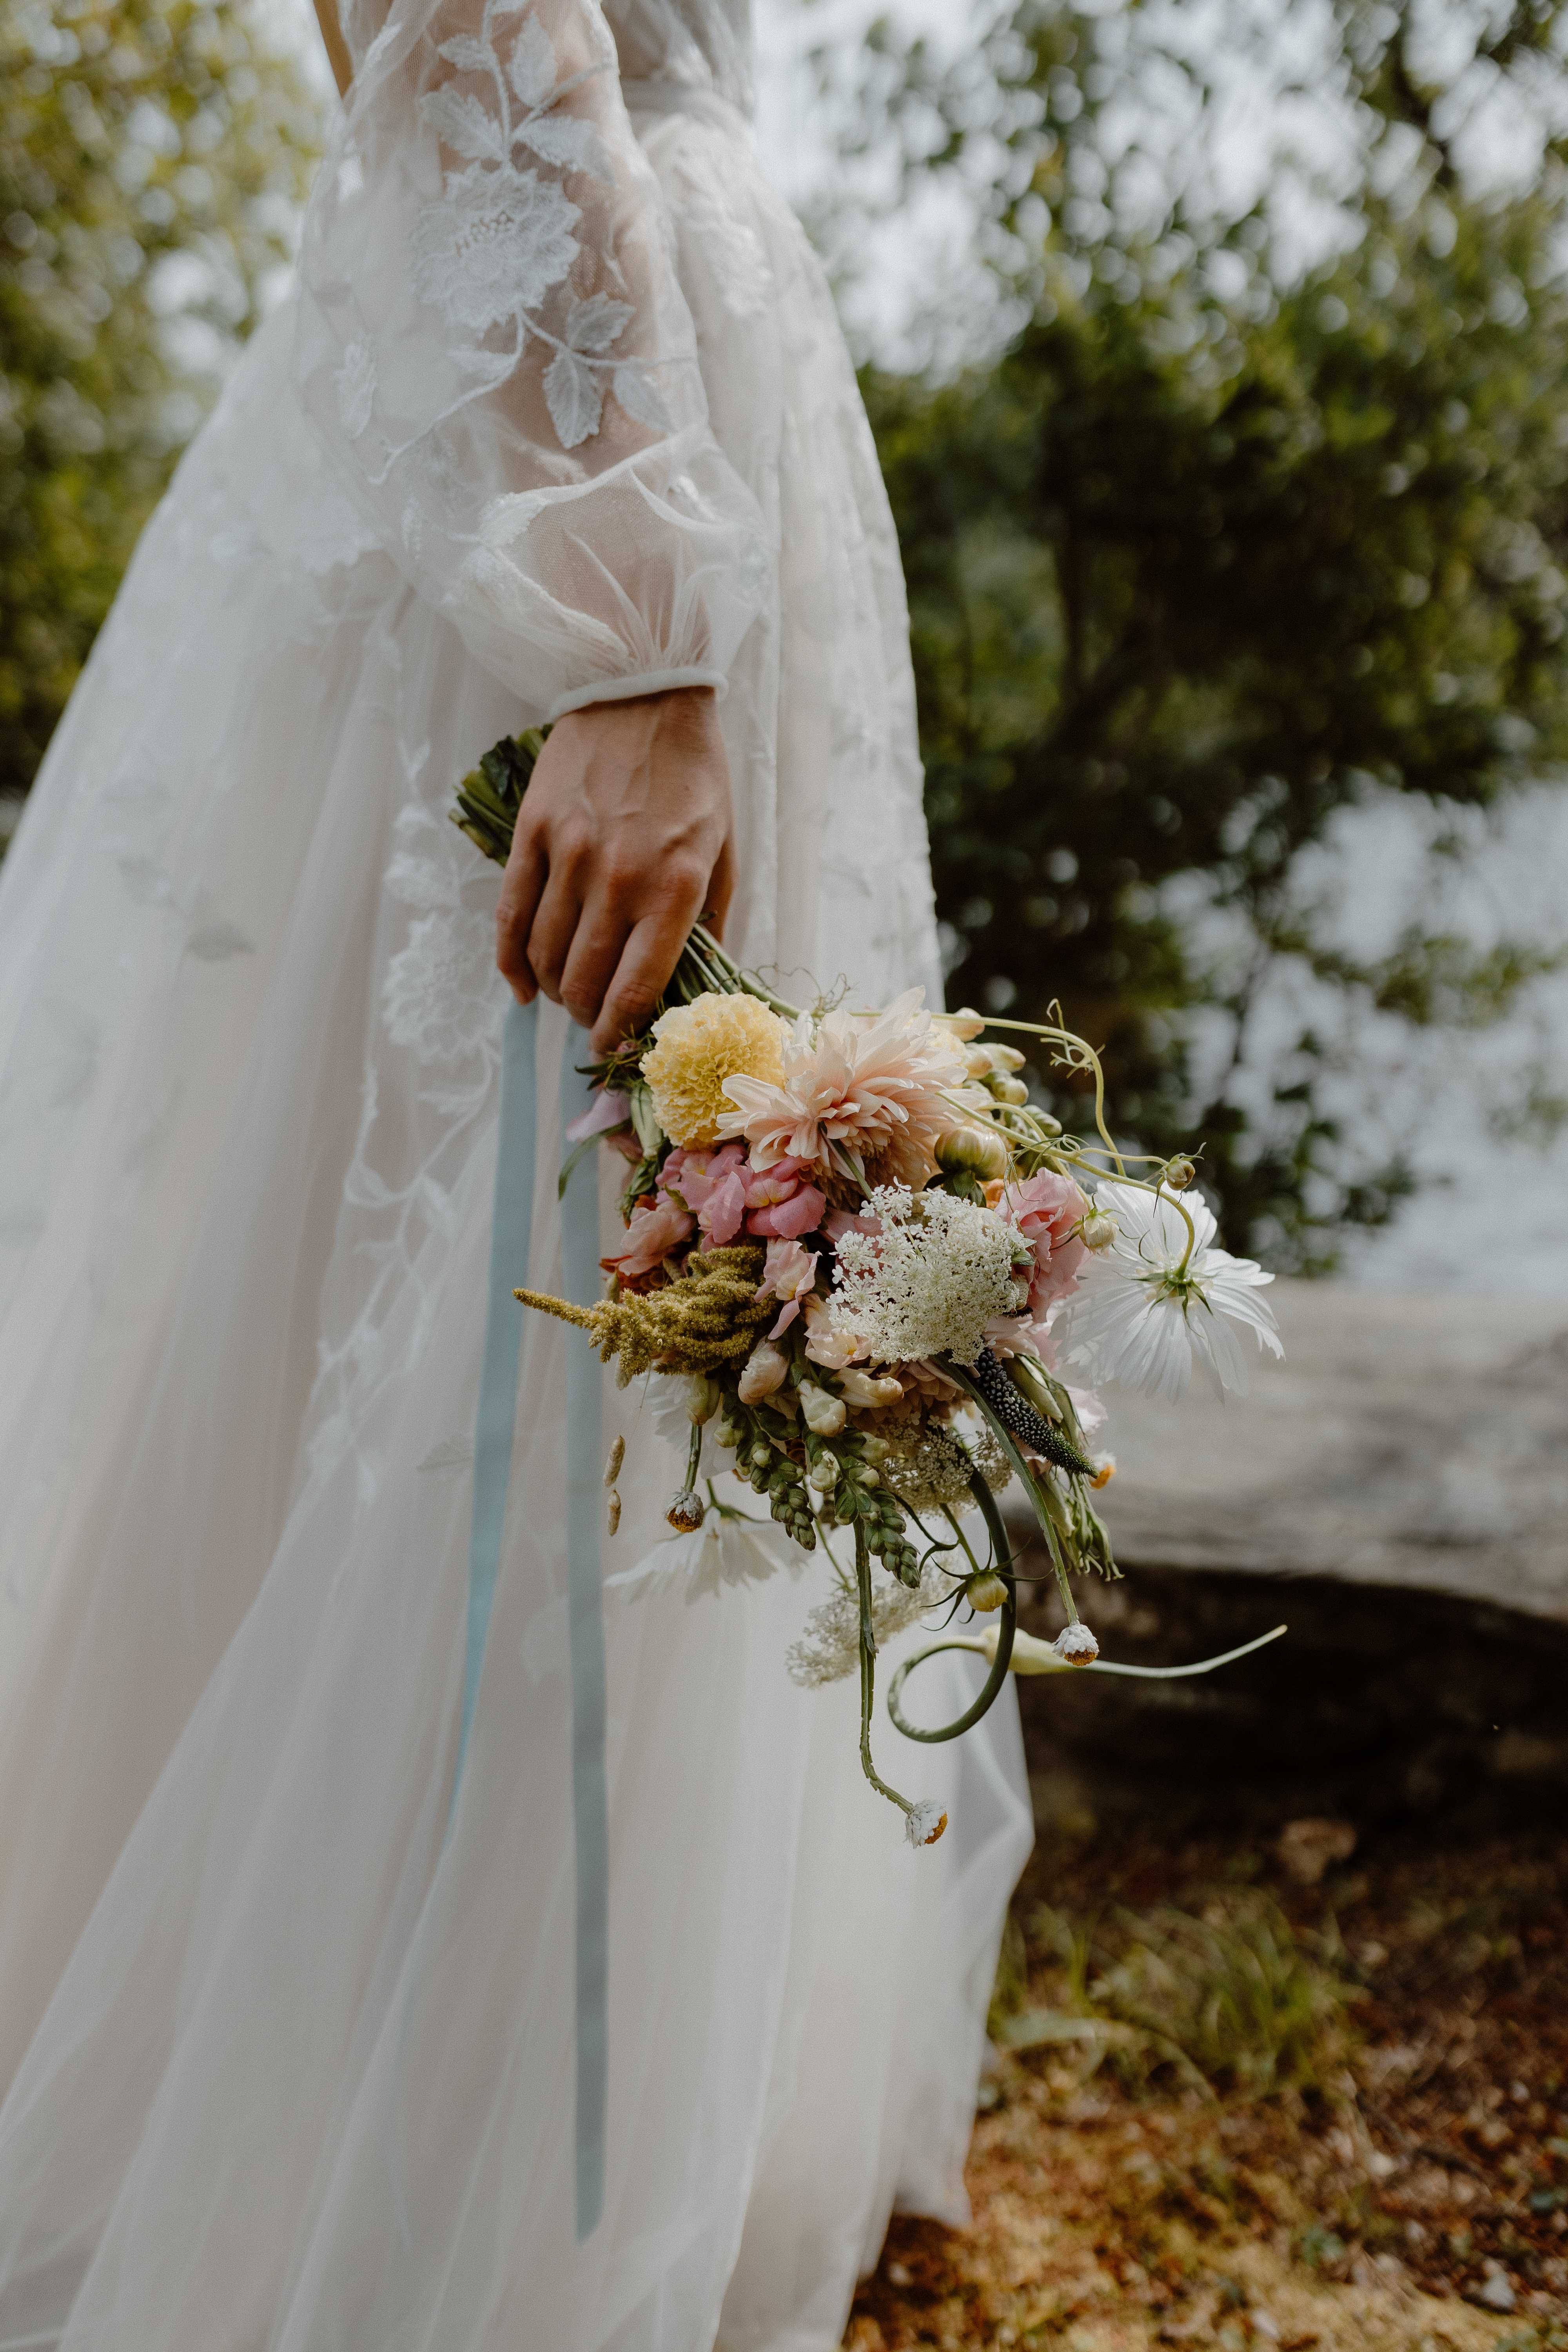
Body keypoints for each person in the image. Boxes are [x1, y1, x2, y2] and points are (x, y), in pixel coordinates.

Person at [0, 0, 1031, 2342]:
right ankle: (388, 2171)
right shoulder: (616, 567)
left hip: (598, 375)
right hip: (578, 431)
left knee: (571, 1299)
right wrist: (628, 621)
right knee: (504, 1286)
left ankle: (496, 2119)